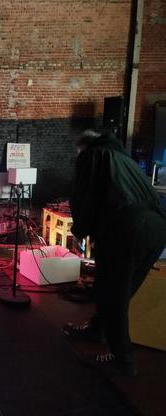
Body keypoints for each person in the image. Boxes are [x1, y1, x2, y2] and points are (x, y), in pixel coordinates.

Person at [64, 129, 166, 377]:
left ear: (84, 147)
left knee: (112, 293)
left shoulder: (92, 156)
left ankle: (122, 358)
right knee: (119, 290)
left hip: (128, 229)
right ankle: (97, 329)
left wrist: (80, 229)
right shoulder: (123, 158)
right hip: (156, 229)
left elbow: (85, 196)